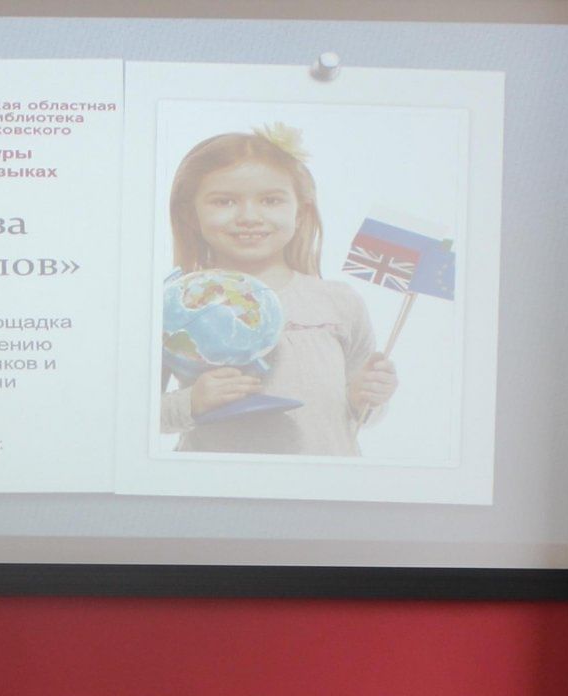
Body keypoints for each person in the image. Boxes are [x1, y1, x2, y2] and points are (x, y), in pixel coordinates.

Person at [159, 125, 398, 455]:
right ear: (190, 214)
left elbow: (360, 413)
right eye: (224, 201)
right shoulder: (174, 306)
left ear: (300, 212)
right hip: (218, 480)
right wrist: (192, 402)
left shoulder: (339, 302)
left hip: (324, 480)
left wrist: (365, 397)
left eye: (270, 200)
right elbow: (133, 413)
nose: (249, 217)